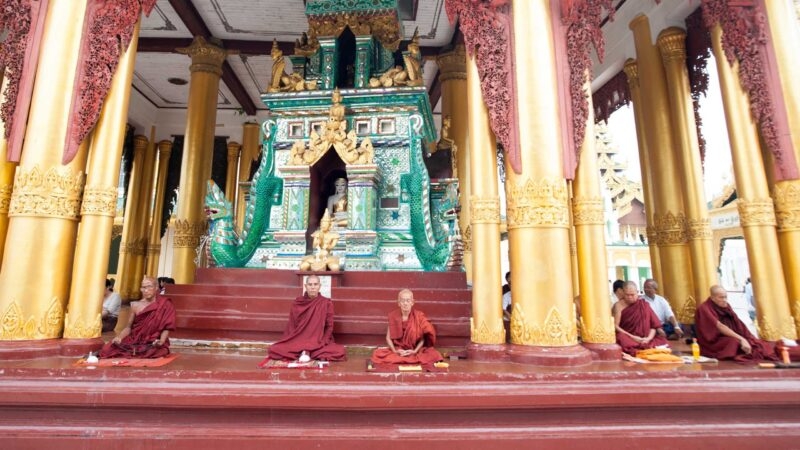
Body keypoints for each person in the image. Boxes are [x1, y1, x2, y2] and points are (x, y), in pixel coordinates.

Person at [259, 274, 346, 366]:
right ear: (305, 286)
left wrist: (323, 342)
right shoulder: (298, 303)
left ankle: (305, 352)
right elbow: (292, 326)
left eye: (315, 284)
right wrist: (291, 341)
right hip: (298, 340)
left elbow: (329, 326)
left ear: (319, 286)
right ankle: (306, 351)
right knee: (274, 349)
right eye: (310, 284)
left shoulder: (326, 303)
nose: (313, 287)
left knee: (340, 351)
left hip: (318, 341)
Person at [695, 285, 787, 363]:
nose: (724, 300)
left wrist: (747, 337)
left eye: (725, 297)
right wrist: (741, 339)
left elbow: (737, 322)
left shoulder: (726, 306)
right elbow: (719, 326)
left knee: (756, 344)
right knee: (734, 342)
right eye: (721, 297)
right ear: (712, 298)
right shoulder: (704, 308)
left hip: (727, 336)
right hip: (712, 342)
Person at [99, 276, 176, 359]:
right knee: (107, 349)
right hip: (135, 339)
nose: (145, 290)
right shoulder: (135, 305)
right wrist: (119, 337)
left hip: (153, 341)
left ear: (156, 287)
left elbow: (166, 327)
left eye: (149, 286)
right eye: (143, 287)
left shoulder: (165, 304)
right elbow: (128, 327)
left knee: (157, 351)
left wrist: (161, 341)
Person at [371, 289, 443, 366]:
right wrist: (395, 351)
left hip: (413, 350)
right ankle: (407, 359)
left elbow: (422, 339)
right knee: (377, 354)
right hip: (399, 350)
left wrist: (415, 351)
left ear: (412, 302)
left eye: (408, 301)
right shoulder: (394, 316)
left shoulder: (419, 316)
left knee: (434, 354)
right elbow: (388, 338)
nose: (405, 303)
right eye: (402, 301)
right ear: (399, 303)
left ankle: (407, 358)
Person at [613, 281, 668, 355]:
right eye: (627, 295)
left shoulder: (644, 305)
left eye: (632, 295)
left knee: (662, 340)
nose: (629, 297)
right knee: (620, 338)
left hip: (645, 338)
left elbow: (653, 325)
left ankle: (644, 344)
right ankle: (641, 346)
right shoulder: (618, 305)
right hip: (628, 336)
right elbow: (616, 326)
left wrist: (648, 338)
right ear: (623, 292)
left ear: (637, 292)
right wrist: (633, 337)